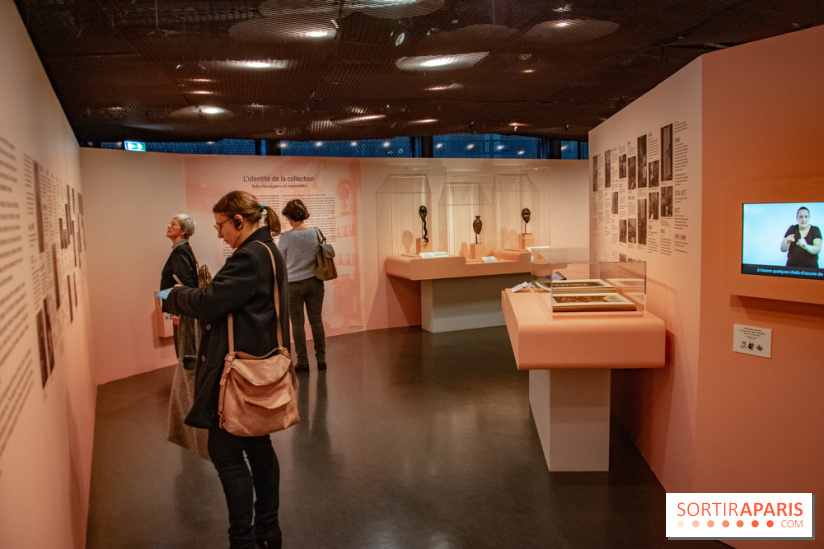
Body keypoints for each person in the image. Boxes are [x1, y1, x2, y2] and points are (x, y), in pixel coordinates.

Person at [164, 191, 289, 549]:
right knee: (259, 447)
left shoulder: (249, 256)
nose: (219, 234)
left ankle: (243, 540)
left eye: (221, 226)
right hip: (258, 364)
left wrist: (170, 296)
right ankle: (267, 529)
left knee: (225, 452)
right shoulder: (267, 251)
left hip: (239, 373)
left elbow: (210, 302)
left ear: (239, 220)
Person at [278, 199, 327, 373]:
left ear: (290, 216)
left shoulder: (285, 238)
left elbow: (281, 262)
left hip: (293, 285)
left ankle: (303, 362)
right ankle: (321, 360)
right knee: (316, 321)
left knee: (297, 324)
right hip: (315, 282)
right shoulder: (315, 233)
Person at [160, 214, 198, 356]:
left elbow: (183, 282)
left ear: (183, 231)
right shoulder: (182, 250)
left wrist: (178, 311)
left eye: (173, 224)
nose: (169, 226)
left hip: (183, 311)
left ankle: (187, 378)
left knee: (185, 352)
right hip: (184, 309)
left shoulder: (180, 251)